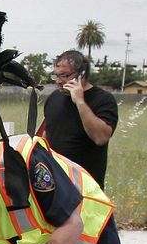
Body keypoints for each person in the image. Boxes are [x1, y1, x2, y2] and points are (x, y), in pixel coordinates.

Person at [41, 50, 118, 188]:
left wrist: (80, 101)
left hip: (86, 188)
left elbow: (101, 137)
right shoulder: (53, 98)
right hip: (55, 186)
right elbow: (46, 135)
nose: (58, 81)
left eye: (64, 76)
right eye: (56, 76)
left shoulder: (103, 100)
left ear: (81, 74)